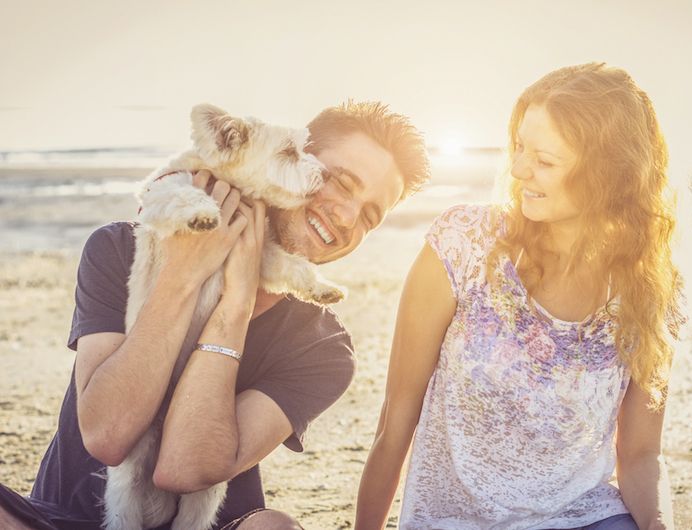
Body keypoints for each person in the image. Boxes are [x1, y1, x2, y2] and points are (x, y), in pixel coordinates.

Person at [0, 101, 430, 530]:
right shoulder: (119, 249)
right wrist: (183, 276)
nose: (348, 215)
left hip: (211, 525)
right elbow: (107, 436)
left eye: (370, 216)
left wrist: (236, 305)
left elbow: (183, 470)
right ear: (292, 155)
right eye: (339, 181)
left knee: (273, 528)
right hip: (60, 521)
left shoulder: (323, 348)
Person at [355, 63, 686, 530]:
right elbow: (395, 423)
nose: (518, 169)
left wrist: (656, 524)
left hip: (587, 518)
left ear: (610, 175)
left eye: (545, 161)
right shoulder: (463, 244)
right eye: (519, 147)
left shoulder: (652, 291)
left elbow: (640, 454)